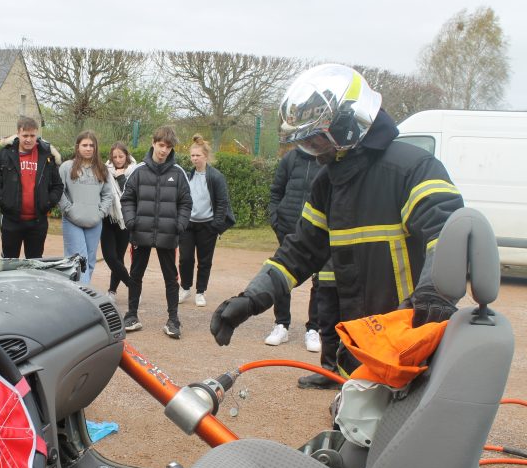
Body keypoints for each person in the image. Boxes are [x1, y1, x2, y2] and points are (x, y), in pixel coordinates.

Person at [210, 64, 464, 377]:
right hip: (362, 346)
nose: (313, 152)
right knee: (352, 421)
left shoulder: (412, 169)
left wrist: (433, 296)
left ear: (346, 126)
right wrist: (249, 301)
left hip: (410, 343)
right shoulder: (329, 184)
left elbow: (448, 234)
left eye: (316, 141)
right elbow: (299, 252)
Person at [121, 125, 192, 339]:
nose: (164, 150)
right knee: (136, 275)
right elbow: (127, 199)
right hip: (140, 233)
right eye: (161, 145)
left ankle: (173, 320)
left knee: (171, 278)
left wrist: (179, 225)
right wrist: (131, 221)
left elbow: (186, 203)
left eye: (168, 147)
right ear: (154, 143)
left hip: (168, 234)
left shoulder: (178, 173)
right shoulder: (137, 170)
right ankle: (132, 315)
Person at [264, 145, 326, 353]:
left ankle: (314, 329)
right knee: (283, 277)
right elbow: (276, 191)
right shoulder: (290, 158)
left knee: (320, 281)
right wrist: (277, 221)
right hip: (288, 230)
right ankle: (281, 325)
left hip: (319, 232)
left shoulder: (327, 157)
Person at [0, 117, 63, 259]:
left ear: (37, 135)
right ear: (18, 133)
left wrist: (49, 202)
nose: (28, 139)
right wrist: (3, 199)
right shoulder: (6, 153)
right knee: (9, 263)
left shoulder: (46, 155)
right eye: (25, 135)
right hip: (11, 221)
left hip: (37, 223)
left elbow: (58, 185)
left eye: (32, 136)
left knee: (34, 264)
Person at [177, 134, 234, 308]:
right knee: (185, 258)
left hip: (207, 226)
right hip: (188, 225)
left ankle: (200, 292)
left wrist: (215, 226)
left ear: (206, 157)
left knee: (204, 261)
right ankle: (185, 288)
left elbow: (223, 202)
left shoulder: (216, 177)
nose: (194, 158)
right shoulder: (187, 175)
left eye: (198, 155)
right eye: (192, 155)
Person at [58, 131, 113, 284]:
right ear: (77, 147)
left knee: (89, 262)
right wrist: (69, 210)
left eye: (91, 145)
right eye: (84, 145)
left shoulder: (102, 169)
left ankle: (79, 291)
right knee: (78, 260)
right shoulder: (66, 167)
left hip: (94, 222)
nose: (88, 148)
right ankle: (83, 295)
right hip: (72, 221)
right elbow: (58, 191)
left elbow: (108, 195)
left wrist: (100, 213)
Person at [100, 142, 136, 301]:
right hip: (108, 218)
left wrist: (121, 176)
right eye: (114, 157)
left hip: (125, 219)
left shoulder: (135, 171)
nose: (118, 160)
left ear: (126, 156)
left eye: (121, 156)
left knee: (119, 257)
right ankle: (132, 286)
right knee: (110, 257)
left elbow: (129, 194)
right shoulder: (104, 170)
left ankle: (112, 291)